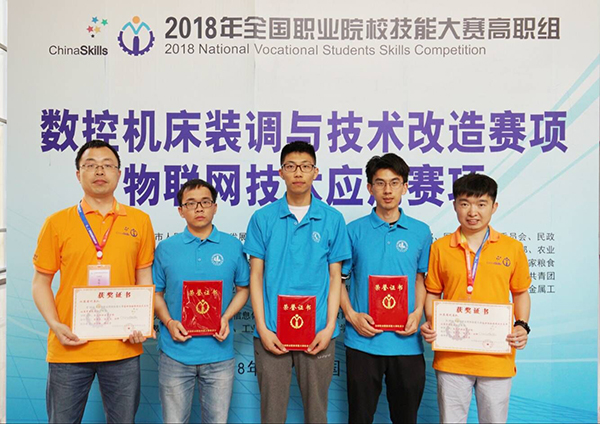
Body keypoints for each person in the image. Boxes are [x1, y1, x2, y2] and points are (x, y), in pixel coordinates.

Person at [32, 139, 155, 423]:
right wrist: (55, 325)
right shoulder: (57, 222)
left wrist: (141, 322)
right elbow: (40, 283)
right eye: (91, 165)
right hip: (69, 345)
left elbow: (144, 277)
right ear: (78, 174)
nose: (99, 171)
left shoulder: (139, 221)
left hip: (122, 346)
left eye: (107, 165)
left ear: (119, 174)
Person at [243, 141, 351, 423]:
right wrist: (262, 328)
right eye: (291, 166)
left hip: (317, 332)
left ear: (316, 172)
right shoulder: (263, 218)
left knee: (317, 413)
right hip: (272, 332)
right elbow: (255, 276)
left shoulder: (332, 219)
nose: (298, 173)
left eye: (305, 166)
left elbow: (335, 277)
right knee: (271, 414)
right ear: (281, 173)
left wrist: (329, 327)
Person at [420, 173, 531, 423]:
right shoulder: (440, 248)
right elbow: (433, 291)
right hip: (451, 356)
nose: (473, 212)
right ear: (455, 205)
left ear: (494, 206)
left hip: (497, 356)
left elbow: (520, 292)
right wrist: (432, 321)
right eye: (465, 203)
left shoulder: (512, 248)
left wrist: (522, 325)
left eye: (481, 204)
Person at [341, 153, 432, 423]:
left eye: (395, 183)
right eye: (380, 183)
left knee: (406, 418)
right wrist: (352, 316)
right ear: (370, 188)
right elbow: (338, 281)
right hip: (363, 341)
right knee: (359, 417)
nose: (388, 190)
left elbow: (420, 279)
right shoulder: (353, 231)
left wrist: (418, 313)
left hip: (407, 343)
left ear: (405, 187)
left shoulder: (421, 232)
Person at [153, 179, 250, 423]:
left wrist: (226, 317)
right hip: (175, 354)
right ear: (180, 210)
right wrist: (169, 322)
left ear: (215, 207)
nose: (199, 208)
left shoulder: (232, 246)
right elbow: (155, 293)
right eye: (191, 203)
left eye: (205, 202)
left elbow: (243, 289)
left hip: (219, 355)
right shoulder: (166, 248)